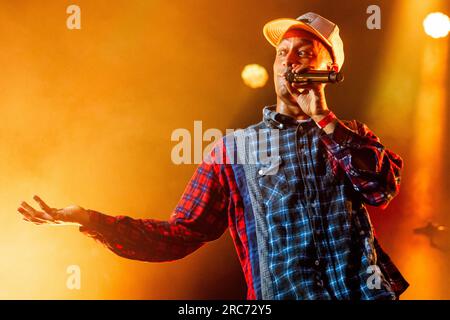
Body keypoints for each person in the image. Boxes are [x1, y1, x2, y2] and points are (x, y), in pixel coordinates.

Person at [18, 12, 408, 300]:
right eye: (283, 52)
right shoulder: (233, 150)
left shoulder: (352, 135)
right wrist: (90, 220)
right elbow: (180, 234)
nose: (289, 61)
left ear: (330, 69)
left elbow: (380, 189)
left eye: (305, 52)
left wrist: (323, 117)